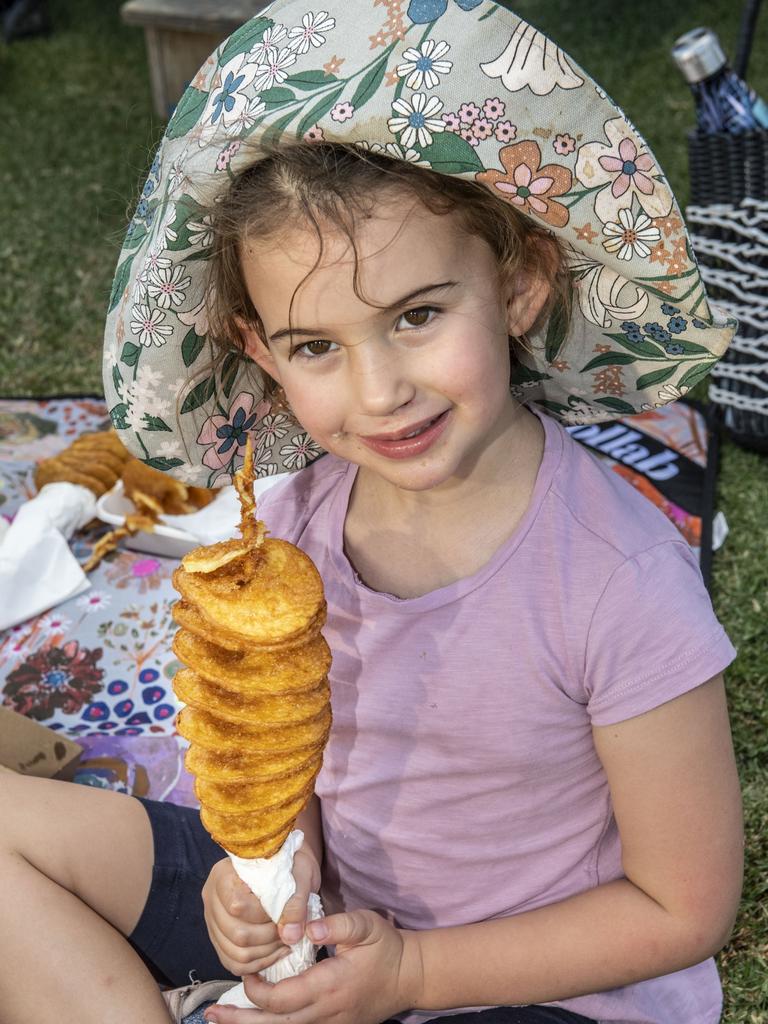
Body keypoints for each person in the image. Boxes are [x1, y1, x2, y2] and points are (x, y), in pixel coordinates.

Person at [0, 3, 743, 1023]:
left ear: (519, 285)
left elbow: (682, 906)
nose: (381, 388)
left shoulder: (618, 579)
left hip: (541, 982)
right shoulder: (299, 521)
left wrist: (415, 978)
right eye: (317, 346)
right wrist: (267, 876)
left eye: (418, 316)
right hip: (337, 932)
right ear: (259, 350)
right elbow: (290, 758)